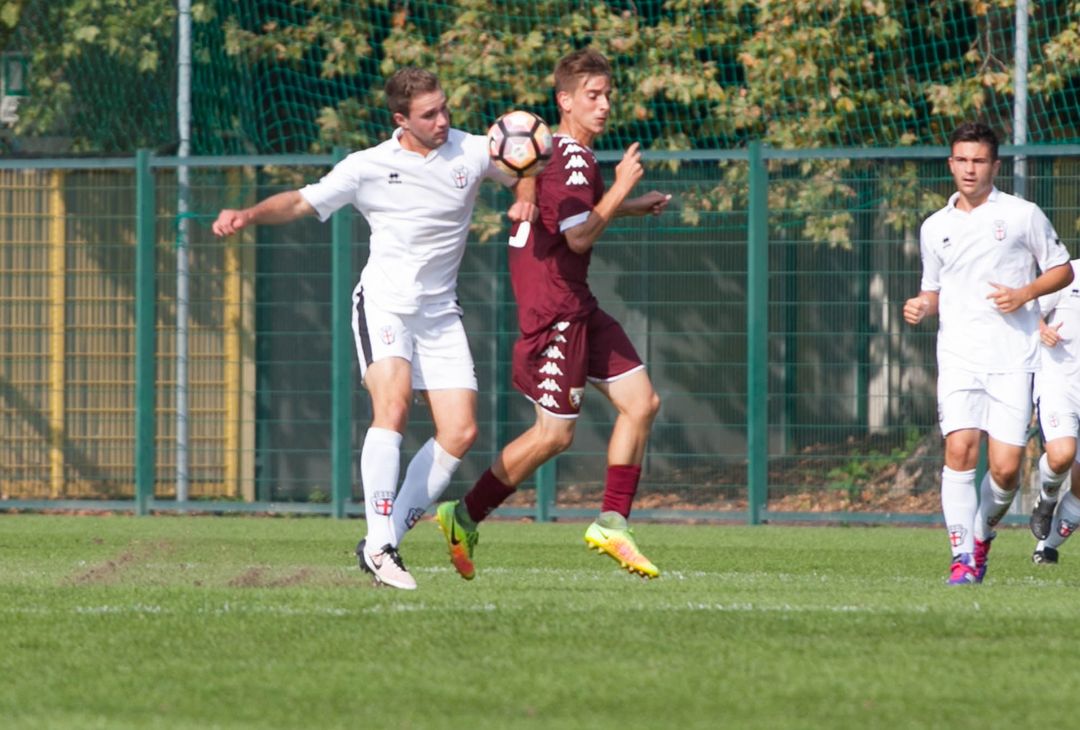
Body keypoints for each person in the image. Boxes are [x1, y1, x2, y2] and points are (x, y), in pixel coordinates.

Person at [212, 67, 535, 590]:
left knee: (460, 431)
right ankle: (381, 541)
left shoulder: (472, 150)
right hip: (384, 304)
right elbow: (299, 200)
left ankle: (381, 545)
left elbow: (523, 165)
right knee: (395, 404)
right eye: (429, 114)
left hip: (439, 312)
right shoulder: (367, 167)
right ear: (400, 120)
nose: (442, 120)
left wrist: (527, 191)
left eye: (444, 108)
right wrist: (249, 214)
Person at [432, 48, 672, 581]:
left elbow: (571, 214)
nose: (604, 105)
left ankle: (612, 521)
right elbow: (580, 235)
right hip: (556, 312)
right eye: (592, 95)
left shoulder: (560, 156)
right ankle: (464, 513)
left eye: (608, 94)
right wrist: (626, 189)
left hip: (577, 303)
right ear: (564, 101)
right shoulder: (570, 158)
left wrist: (630, 204)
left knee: (642, 402)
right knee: (553, 436)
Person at [903, 121, 1072, 584]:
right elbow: (933, 290)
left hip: (1014, 358)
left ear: (995, 165)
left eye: (979, 161)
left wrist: (1024, 294)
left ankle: (981, 535)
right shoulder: (934, 227)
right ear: (951, 164)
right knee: (959, 448)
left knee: (1006, 469)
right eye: (962, 160)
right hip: (957, 355)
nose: (970, 169)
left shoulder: (1022, 215)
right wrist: (922, 305)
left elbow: (1061, 271)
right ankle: (961, 557)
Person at [1029, 259, 1080, 564]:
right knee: (1061, 455)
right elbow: (1027, 310)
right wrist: (1042, 330)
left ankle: (1046, 548)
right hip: (1060, 384)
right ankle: (1046, 499)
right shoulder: (1068, 273)